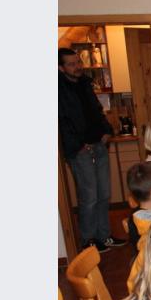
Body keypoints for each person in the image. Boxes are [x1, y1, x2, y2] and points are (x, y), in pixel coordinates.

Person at [58, 47, 126, 252]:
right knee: (89, 196)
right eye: (71, 64)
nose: (77, 66)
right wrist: (79, 144)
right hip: (79, 150)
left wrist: (107, 131)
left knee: (104, 193)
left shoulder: (85, 83)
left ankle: (104, 237)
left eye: (78, 62)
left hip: (99, 144)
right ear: (60, 68)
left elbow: (97, 111)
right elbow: (62, 122)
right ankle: (88, 240)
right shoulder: (56, 89)